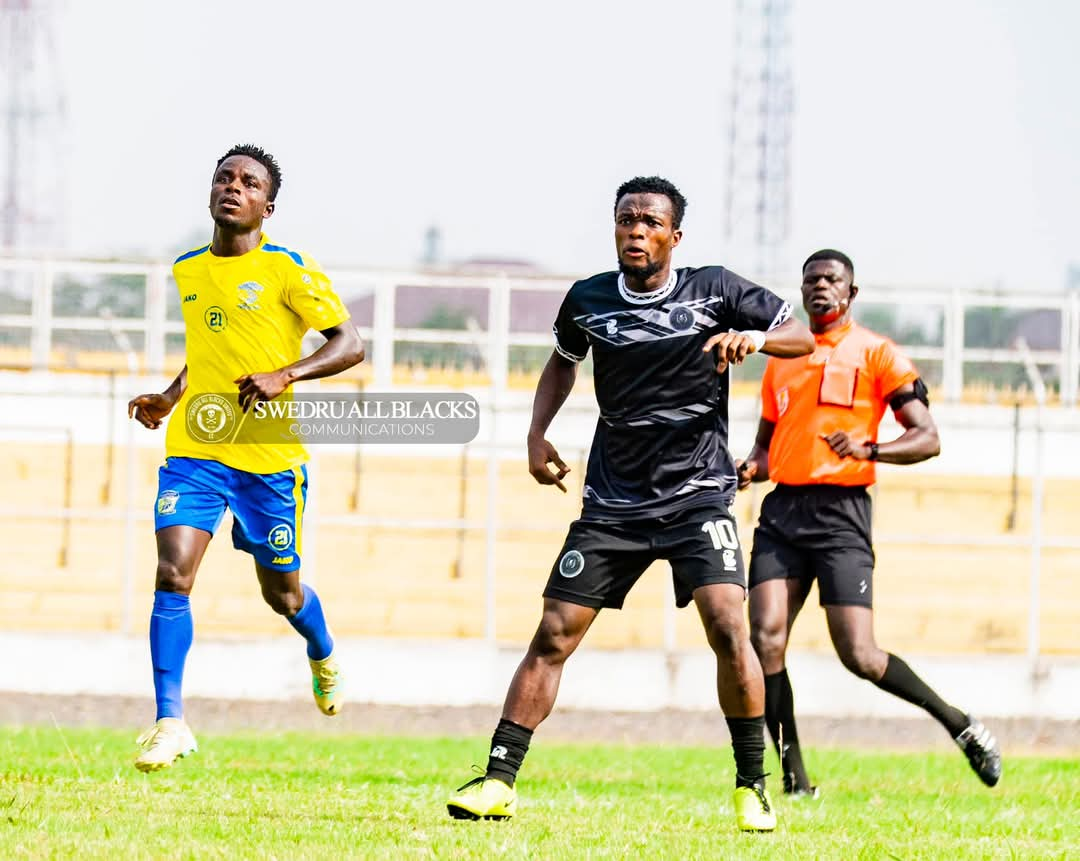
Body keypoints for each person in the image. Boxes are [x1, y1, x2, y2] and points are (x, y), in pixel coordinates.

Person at [445, 176, 815, 832]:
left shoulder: (717, 289)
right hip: (613, 502)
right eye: (625, 220)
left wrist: (754, 341)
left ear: (675, 235)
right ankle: (498, 780)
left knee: (730, 622)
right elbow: (562, 362)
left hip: (698, 495)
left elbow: (801, 337)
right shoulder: (588, 299)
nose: (636, 232)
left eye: (649, 222)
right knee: (555, 630)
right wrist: (536, 434)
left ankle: (752, 784)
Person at [127, 143, 364, 772]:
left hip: (270, 463)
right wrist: (170, 396)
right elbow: (209, 351)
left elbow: (350, 344)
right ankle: (170, 722)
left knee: (282, 596)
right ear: (210, 193)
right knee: (172, 574)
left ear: (268, 204)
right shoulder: (188, 269)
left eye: (249, 182)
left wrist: (287, 374)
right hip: (197, 453)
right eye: (224, 178)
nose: (234, 187)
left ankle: (321, 649)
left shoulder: (288, 268)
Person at [739, 248, 1002, 797]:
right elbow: (766, 448)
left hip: (842, 515)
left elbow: (928, 437)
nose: (820, 288)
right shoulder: (784, 357)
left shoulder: (878, 354)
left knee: (859, 654)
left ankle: (960, 724)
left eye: (832, 280)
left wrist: (872, 448)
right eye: (811, 279)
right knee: (764, 638)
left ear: (851, 294)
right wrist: (749, 467)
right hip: (784, 511)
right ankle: (794, 781)